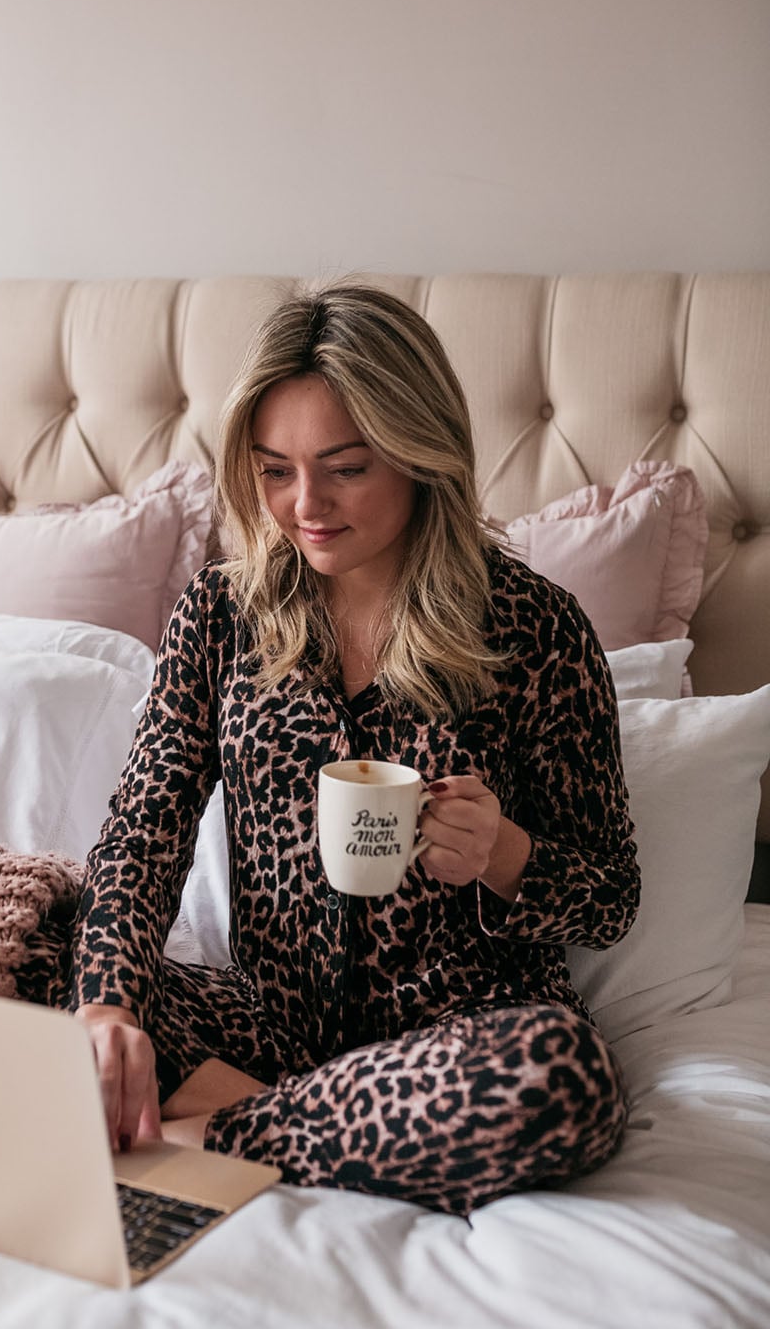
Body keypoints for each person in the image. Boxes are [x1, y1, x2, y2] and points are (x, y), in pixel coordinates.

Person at [69, 282, 639, 1216]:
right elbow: (142, 834)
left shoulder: (536, 628)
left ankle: (216, 1130)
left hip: (456, 1041)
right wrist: (108, 1009)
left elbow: (610, 896)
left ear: (420, 454)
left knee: (562, 1076)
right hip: (264, 1024)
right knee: (41, 932)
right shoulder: (220, 615)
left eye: (345, 468)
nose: (307, 506)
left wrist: (504, 857)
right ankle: (302, 1120)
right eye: (275, 470)